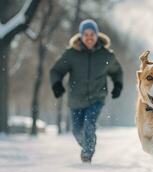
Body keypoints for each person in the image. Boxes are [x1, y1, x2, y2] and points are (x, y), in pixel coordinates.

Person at [50, 19, 123, 163]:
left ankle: (87, 153)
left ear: (97, 35)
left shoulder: (106, 55)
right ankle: (88, 145)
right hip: (76, 99)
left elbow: (117, 71)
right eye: (86, 34)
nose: (89, 37)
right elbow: (56, 70)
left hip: (97, 97)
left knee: (89, 124)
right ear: (81, 36)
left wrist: (118, 85)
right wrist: (56, 84)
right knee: (77, 131)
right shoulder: (71, 54)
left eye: (92, 34)